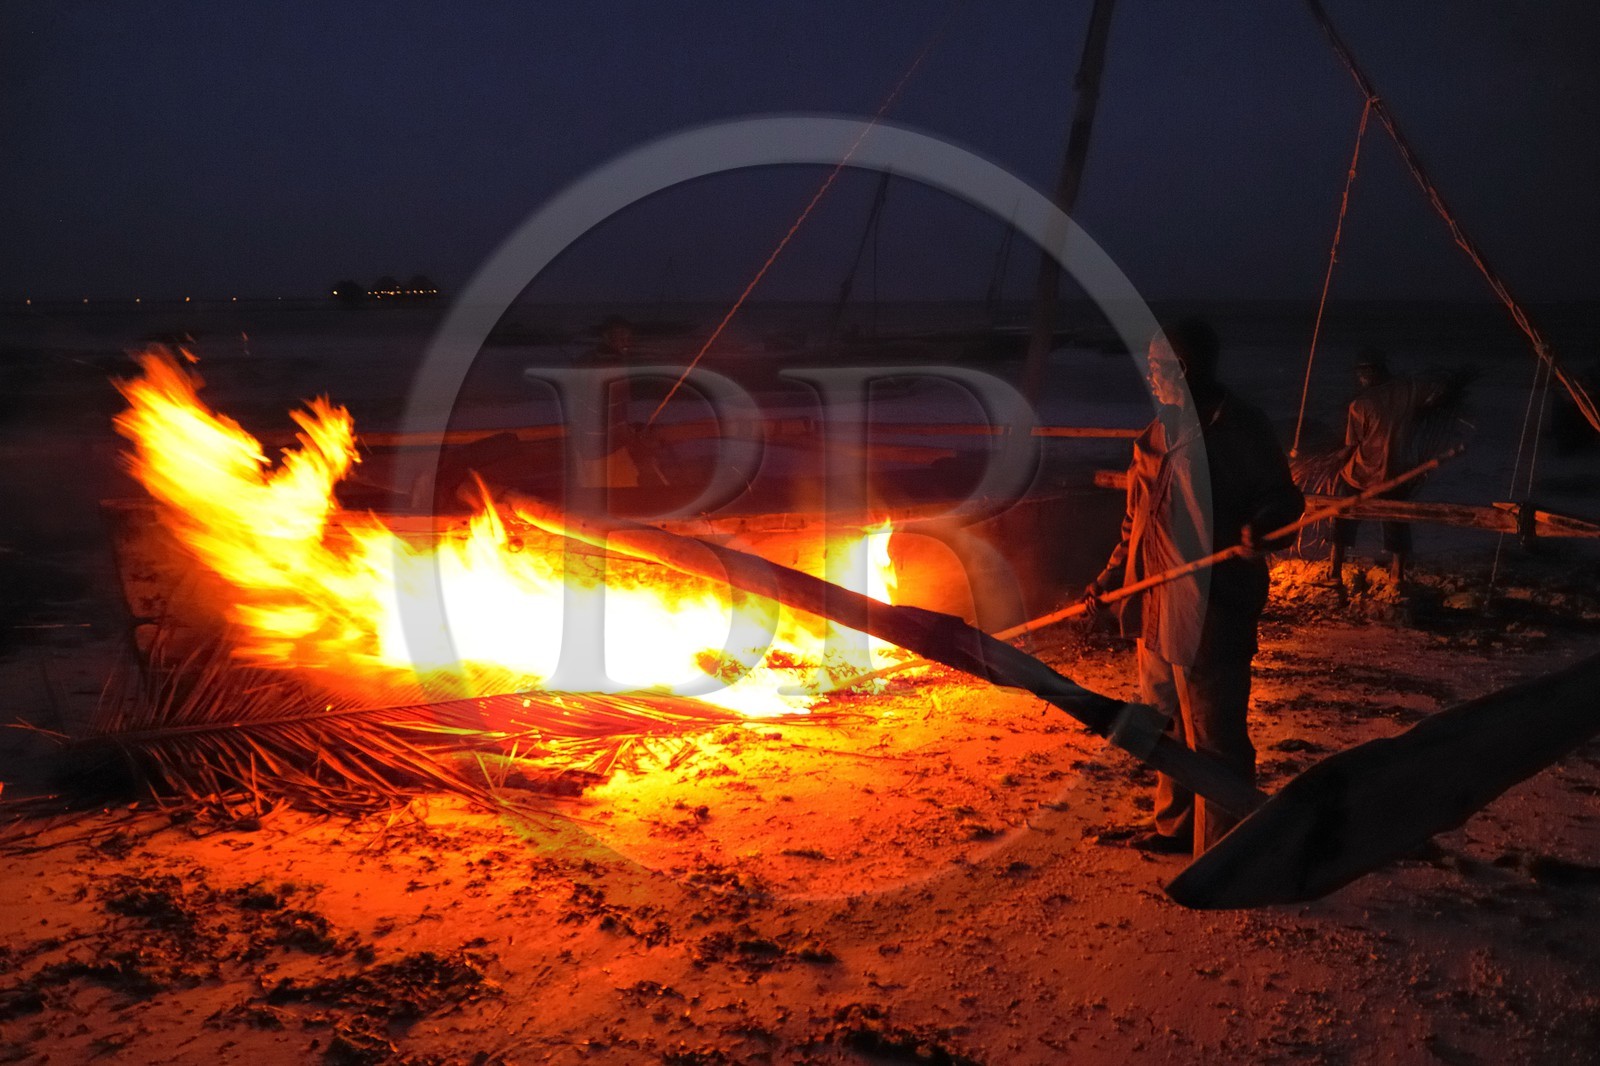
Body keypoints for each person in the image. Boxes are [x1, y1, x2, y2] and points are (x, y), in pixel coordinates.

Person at [1084, 319, 1304, 857]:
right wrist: (1112, 579)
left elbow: (1285, 501)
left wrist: (1264, 527)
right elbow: (1134, 524)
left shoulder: (1242, 428)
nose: (1150, 377)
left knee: (1214, 737)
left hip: (1211, 609)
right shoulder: (1156, 433)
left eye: (1157, 367)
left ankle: (1225, 850)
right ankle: (1174, 830)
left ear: (1182, 370)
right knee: (1163, 725)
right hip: (1154, 607)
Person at [1326, 348, 1439, 592]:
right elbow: (1432, 397)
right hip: (1395, 474)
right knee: (1396, 518)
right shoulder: (1406, 392)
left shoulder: (1360, 405)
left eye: (1361, 374)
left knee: (1342, 514)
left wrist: (1333, 459)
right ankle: (1396, 576)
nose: (1359, 379)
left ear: (1369, 373)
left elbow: (1351, 446)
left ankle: (1334, 571)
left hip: (1363, 474)